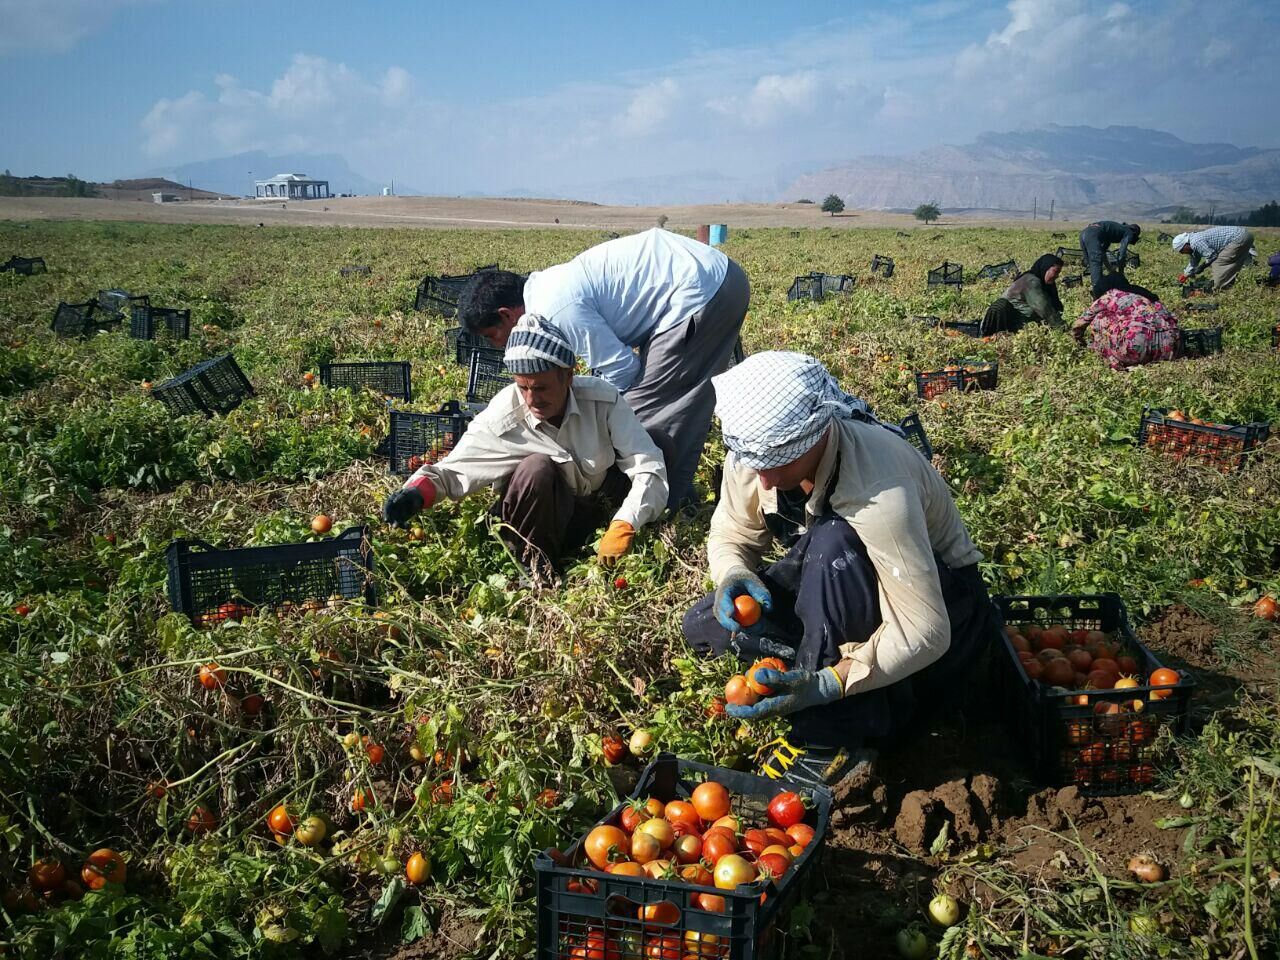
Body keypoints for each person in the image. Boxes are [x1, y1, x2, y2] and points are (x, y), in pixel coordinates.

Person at [680, 352, 996, 788]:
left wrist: (827, 685)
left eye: (777, 464)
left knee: (834, 543)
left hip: (943, 611)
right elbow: (732, 531)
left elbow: (926, 630)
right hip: (837, 577)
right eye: (757, 465)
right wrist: (734, 573)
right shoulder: (755, 455)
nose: (765, 481)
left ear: (817, 436)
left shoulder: (879, 491)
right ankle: (822, 665)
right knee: (705, 626)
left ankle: (839, 735)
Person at [454, 228, 750, 509]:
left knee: (647, 418)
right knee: (672, 405)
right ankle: (676, 500)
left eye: (493, 337)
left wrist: (595, 422)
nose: (499, 345)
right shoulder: (545, 288)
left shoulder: (555, 311)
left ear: (506, 315)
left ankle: (662, 508)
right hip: (715, 279)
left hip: (700, 292)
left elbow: (622, 370)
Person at [381, 316, 670, 581]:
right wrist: (416, 493)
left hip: (594, 511)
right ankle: (538, 570)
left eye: (541, 388)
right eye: (523, 387)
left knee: (656, 442)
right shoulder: (503, 418)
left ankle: (602, 548)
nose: (531, 399)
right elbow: (452, 471)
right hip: (540, 521)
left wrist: (626, 523)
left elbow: (647, 464)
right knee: (536, 469)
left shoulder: (601, 401)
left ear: (568, 376)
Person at [1070, 284, 1178, 370]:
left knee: (1100, 317)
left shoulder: (1112, 294)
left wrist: (1078, 341)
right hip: (1171, 345)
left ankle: (1113, 361)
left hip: (1136, 347)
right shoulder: (1143, 295)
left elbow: (1080, 323)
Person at [979, 254, 1064, 334]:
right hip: (1003, 325)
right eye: (1055, 272)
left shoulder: (1047, 285)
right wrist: (1063, 329)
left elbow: (1055, 307)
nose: (1057, 276)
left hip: (1022, 326)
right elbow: (1045, 310)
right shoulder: (1031, 281)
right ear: (1045, 268)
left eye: (1059, 273)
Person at [1173, 226, 1256, 292]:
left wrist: (1202, 267)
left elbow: (1212, 256)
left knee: (1218, 262)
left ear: (1185, 245)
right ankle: (1231, 280)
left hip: (1239, 238)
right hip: (1244, 235)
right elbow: (1194, 260)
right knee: (1227, 260)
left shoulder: (1196, 242)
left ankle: (1221, 288)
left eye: (1182, 250)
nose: (1182, 253)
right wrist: (1185, 275)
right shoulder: (1193, 241)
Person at [1079, 221, 1141, 297]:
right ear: (1135, 233)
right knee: (1096, 263)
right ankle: (1098, 294)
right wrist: (1121, 274)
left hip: (1084, 233)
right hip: (1093, 234)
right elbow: (1121, 255)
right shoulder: (1129, 232)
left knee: (1092, 264)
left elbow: (1103, 253)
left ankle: (1096, 289)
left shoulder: (1110, 233)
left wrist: (1110, 269)